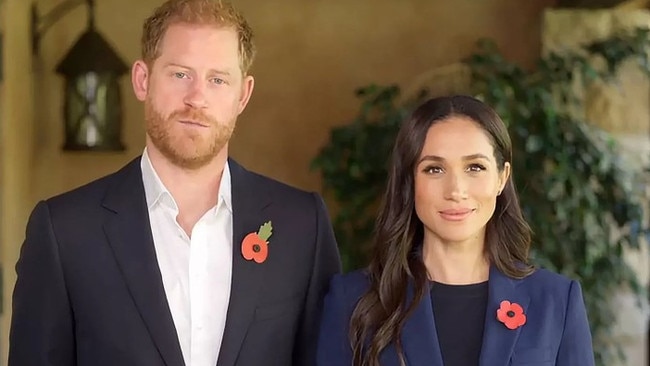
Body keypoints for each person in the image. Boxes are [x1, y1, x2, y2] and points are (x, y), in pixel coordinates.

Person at [9, 1, 341, 365]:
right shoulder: (64, 232)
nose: (196, 98)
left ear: (242, 95)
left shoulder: (301, 226)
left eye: (217, 79)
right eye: (180, 74)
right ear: (142, 80)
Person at [316, 95, 594, 366]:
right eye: (434, 169)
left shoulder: (556, 300)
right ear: (409, 182)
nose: (456, 191)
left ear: (502, 178)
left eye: (475, 167)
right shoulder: (352, 300)